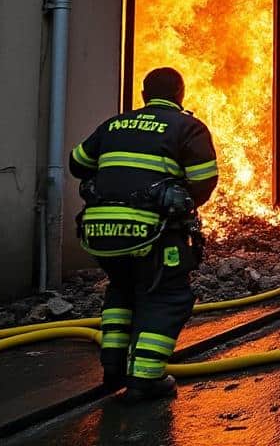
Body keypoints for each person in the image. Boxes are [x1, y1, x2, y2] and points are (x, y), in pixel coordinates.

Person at [68, 67, 219, 401]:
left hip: (99, 231)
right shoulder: (187, 127)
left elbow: (77, 163)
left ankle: (113, 370)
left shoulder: (114, 124)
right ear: (180, 94)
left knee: (122, 289)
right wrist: (180, 201)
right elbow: (204, 179)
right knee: (166, 295)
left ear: (143, 95)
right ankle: (144, 380)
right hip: (150, 231)